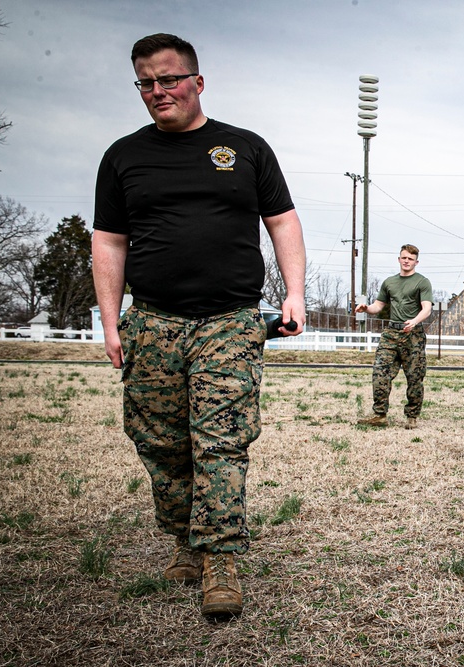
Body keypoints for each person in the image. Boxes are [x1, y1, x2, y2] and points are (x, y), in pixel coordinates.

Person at [92, 33, 306, 619]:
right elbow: (109, 242)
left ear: (197, 82)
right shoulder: (122, 157)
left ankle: (220, 560)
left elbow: (283, 222)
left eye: (168, 79)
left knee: (220, 439)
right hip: (153, 321)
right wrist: (112, 323)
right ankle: (185, 536)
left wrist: (294, 294)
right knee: (160, 441)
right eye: (145, 82)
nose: (157, 91)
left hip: (229, 320)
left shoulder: (244, 148)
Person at [356, 244, 434, 429]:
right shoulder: (389, 282)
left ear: (416, 262)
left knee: (414, 377)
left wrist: (414, 321)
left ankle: (412, 416)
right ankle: (380, 414)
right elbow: (378, 306)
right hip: (391, 333)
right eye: (404, 257)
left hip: (412, 334)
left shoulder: (422, 282)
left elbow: (427, 308)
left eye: (411, 259)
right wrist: (366, 308)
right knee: (380, 372)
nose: (407, 261)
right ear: (399, 259)